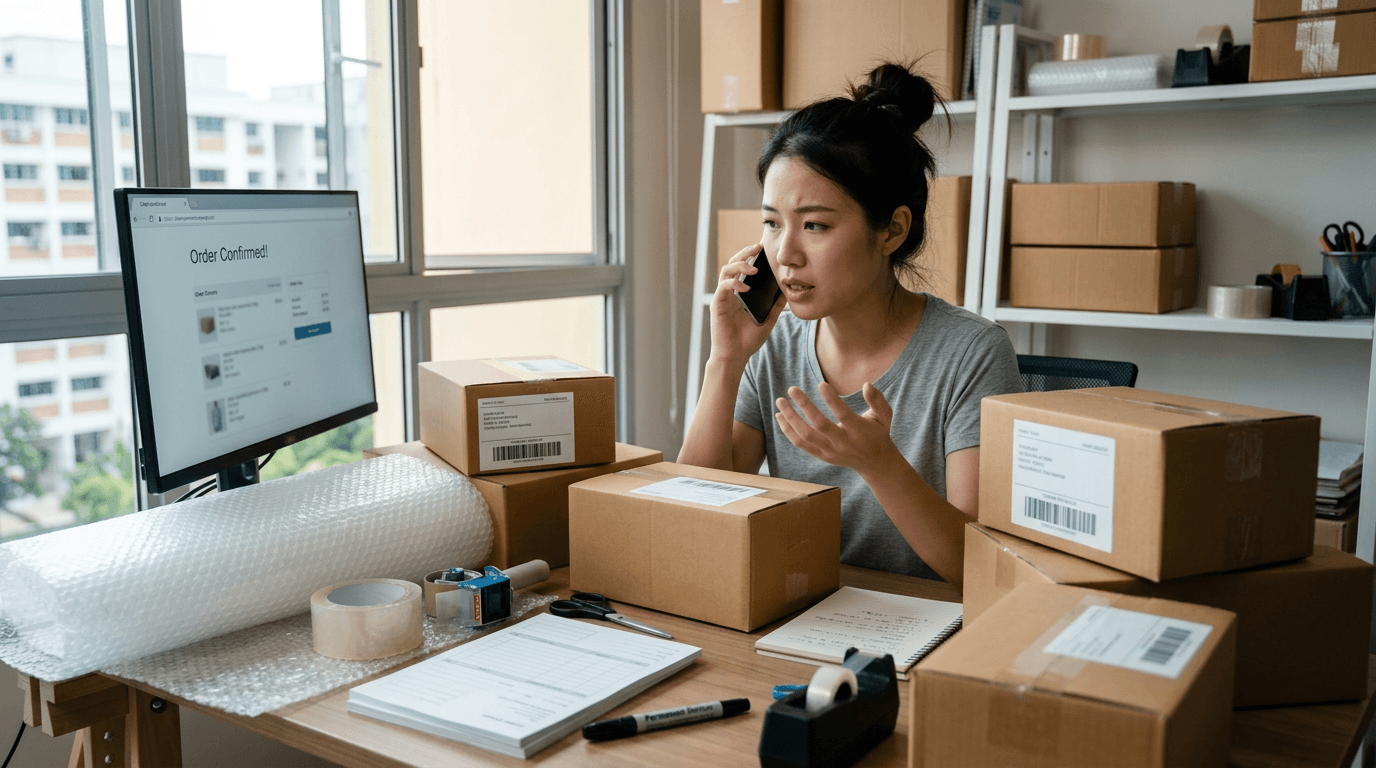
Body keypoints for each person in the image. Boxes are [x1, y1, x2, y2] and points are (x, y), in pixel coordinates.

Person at [677, 62, 1023, 590]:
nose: (785, 254)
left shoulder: (972, 352)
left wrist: (879, 463)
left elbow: (978, 564)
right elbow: (693, 512)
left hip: (928, 619)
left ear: (892, 231)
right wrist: (725, 361)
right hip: (801, 606)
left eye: (815, 225)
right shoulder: (771, 343)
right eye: (772, 223)